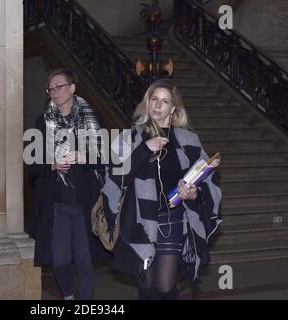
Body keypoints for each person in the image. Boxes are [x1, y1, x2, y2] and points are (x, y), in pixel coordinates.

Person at [102, 79, 222, 300]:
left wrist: (194, 195)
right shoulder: (129, 138)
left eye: (164, 101)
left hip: (173, 220)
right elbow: (114, 176)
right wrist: (143, 149)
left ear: (173, 108)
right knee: (146, 284)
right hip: (140, 221)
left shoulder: (188, 140)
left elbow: (208, 182)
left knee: (165, 286)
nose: (158, 105)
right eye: (154, 99)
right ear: (147, 102)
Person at [29, 68, 108, 300]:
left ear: (72, 88)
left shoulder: (93, 119)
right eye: (50, 88)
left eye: (59, 86)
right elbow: (32, 164)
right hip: (57, 203)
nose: (54, 92)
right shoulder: (41, 123)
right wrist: (51, 165)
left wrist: (85, 156)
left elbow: (108, 158)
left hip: (86, 203)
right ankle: (68, 297)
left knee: (85, 262)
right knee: (60, 262)